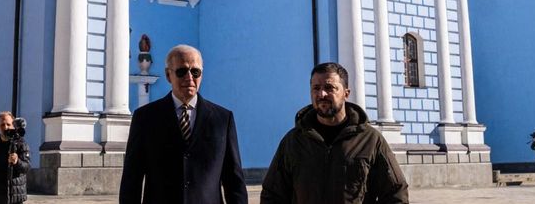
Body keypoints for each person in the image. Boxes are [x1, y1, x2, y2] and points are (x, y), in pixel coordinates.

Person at [260, 62, 409, 204]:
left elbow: (395, 192)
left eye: (329, 87)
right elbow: (272, 194)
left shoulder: (370, 140)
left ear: (346, 93)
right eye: (316, 88)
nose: (322, 94)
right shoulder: (293, 141)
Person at [119, 44, 248, 204]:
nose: (189, 78)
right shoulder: (145, 118)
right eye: (181, 71)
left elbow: (234, 180)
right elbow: (132, 180)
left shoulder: (222, 119)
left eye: (195, 72)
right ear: (168, 75)